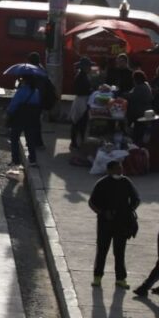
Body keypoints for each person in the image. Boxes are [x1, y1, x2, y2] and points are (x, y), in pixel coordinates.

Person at [90, 160, 140, 289]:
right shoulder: (102, 183)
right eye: (117, 168)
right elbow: (92, 203)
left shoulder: (126, 182)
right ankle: (97, 277)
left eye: (121, 168)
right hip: (105, 224)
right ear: (109, 170)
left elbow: (136, 199)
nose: (120, 170)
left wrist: (128, 211)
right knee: (102, 250)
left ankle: (120, 279)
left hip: (122, 224)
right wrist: (102, 213)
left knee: (119, 252)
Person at [7, 74, 42, 167]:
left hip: (19, 117)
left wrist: (8, 113)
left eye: (21, 79)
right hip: (31, 118)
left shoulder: (21, 91)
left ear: (25, 81)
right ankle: (33, 160)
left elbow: (13, 104)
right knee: (30, 139)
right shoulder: (36, 91)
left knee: (14, 138)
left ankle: (15, 159)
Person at [70, 57, 93, 150]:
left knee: (80, 123)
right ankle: (75, 143)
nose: (90, 68)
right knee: (78, 122)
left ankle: (79, 142)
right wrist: (89, 90)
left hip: (83, 100)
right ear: (84, 67)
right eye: (89, 66)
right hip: (80, 101)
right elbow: (78, 90)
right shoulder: (80, 76)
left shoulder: (84, 75)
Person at [126, 70, 153, 139]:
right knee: (141, 132)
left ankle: (137, 145)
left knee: (137, 133)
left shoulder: (140, 87)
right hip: (146, 112)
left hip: (140, 113)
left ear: (137, 79)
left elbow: (132, 97)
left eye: (133, 79)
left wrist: (123, 94)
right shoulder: (146, 85)